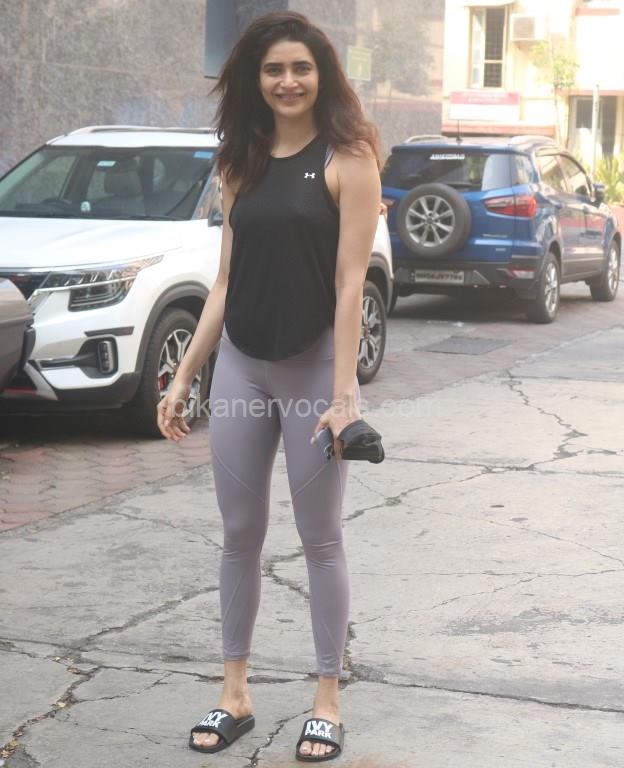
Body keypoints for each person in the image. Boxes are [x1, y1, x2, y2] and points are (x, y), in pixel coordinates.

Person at [157, 10, 381, 762]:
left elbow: (350, 283)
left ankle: (327, 700)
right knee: (239, 534)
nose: (288, 81)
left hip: (312, 368)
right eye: (274, 69)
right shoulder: (240, 159)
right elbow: (225, 279)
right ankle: (235, 694)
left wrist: (344, 394)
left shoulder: (350, 158)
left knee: (320, 538)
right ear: (256, 80)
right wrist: (186, 374)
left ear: (323, 75)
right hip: (242, 367)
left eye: (301, 68)